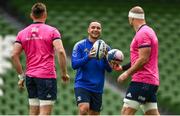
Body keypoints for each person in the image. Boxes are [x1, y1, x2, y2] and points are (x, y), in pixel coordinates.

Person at [11, 3, 69, 115]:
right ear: (45, 14)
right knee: (45, 113)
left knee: (33, 112)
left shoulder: (22, 33)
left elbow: (14, 55)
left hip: (30, 77)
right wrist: (64, 73)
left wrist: (21, 76)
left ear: (31, 15)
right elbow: (61, 51)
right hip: (46, 76)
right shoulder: (52, 31)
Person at [116, 6, 160, 115]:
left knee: (126, 113)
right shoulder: (149, 31)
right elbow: (140, 59)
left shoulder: (143, 33)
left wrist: (126, 73)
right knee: (152, 114)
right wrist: (123, 68)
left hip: (142, 80)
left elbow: (143, 59)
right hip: (150, 81)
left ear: (131, 19)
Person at [71, 21, 112, 115]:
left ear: (101, 31)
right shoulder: (80, 45)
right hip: (82, 84)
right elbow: (74, 65)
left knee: (94, 114)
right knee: (83, 108)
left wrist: (105, 59)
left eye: (98, 28)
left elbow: (109, 70)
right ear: (88, 30)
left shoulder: (107, 48)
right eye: (93, 27)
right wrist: (88, 57)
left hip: (97, 88)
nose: (95, 30)